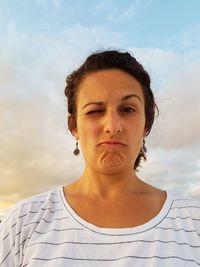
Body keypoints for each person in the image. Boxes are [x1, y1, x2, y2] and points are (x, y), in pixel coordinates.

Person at [0, 50, 200, 266]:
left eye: (127, 109)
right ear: (74, 125)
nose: (113, 127)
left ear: (146, 124)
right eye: (95, 111)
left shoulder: (193, 221)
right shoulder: (24, 221)